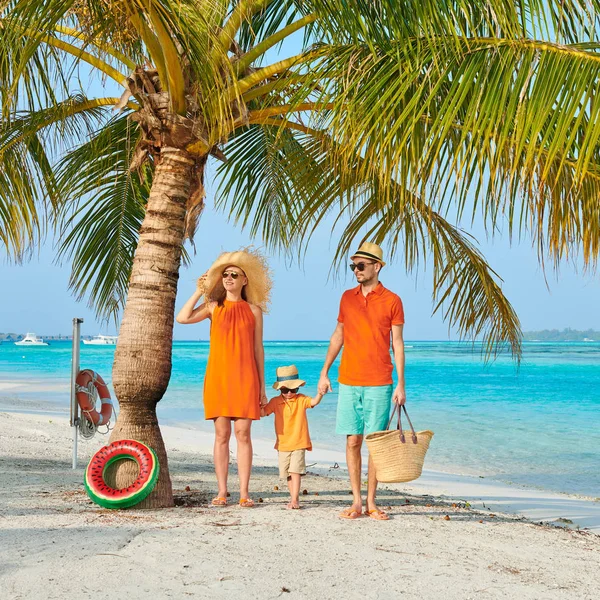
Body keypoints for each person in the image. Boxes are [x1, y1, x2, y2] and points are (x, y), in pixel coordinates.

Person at [176, 249, 272, 508]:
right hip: (219, 377)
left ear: (245, 280)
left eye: (234, 275)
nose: (228, 278)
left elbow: (258, 349)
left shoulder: (254, 311)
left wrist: (263, 388)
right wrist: (200, 289)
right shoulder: (213, 307)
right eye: (225, 275)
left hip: (246, 377)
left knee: (243, 434)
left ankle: (244, 493)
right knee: (221, 434)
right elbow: (182, 318)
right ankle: (221, 491)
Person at [318, 242, 406, 520]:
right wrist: (324, 372)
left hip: (380, 381)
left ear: (376, 267)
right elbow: (338, 335)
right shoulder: (347, 297)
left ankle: (371, 502)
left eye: (361, 265)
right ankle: (356, 502)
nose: (356, 270)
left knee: (375, 443)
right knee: (352, 440)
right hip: (349, 380)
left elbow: (398, 344)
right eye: (353, 266)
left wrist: (401, 384)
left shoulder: (392, 300)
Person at [261, 365, 324, 509]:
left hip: (299, 441)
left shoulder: (301, 399)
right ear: (279, 389)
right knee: (288, 474)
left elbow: (313, 402)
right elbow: (262, 413)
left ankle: (295, 500)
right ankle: (292, 498)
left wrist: (320, 393)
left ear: (297, 388)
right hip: (283, 444)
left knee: (295, 471)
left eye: (293, 389)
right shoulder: (275, 402)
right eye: (285, 390)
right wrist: (257, 401)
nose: (289, 393)